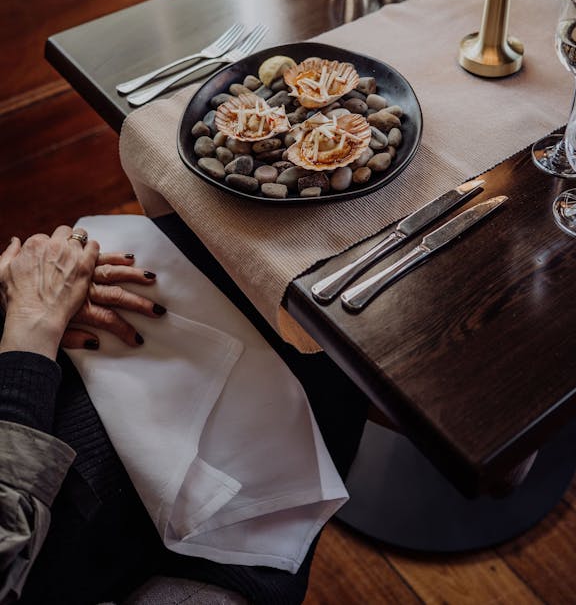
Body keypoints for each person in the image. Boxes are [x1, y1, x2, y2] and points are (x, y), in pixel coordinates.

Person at [0, 225, 369, 605]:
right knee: (333, 344)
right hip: (79, 520)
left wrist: (22, 301)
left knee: (164, 255)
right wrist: (31, 323)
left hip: (34, 373)